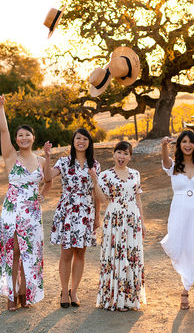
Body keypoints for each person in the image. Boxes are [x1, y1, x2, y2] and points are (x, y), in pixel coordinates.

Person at [0, 94, 51, 311]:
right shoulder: (10, 156)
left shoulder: (42, 160)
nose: (23, 137)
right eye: (20, 135)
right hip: (11, 210)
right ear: (17, 140)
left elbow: (49, 180)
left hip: (33, 213)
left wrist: (42, 195)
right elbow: (3, 131)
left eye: (27, 134)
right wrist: (1, 108)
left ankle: (25, 292)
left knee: (30, 251)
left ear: (32, 138)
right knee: (14, 250)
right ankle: (11, 295)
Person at [46, 128, 101, 308]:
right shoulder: (64, 161)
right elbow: (47, 177)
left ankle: (74, 291)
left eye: (85, 139)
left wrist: (97, 217)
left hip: (86, 211)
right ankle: (63, 290)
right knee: (66, 252)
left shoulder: (95, 165)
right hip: (67, 210)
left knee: (80, 252)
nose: (81, 141)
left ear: (89, 143)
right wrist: (47, 156)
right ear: (73, 140)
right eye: (78, 138)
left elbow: (96, 192)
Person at [161, 130, 194, 310]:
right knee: (178, 245)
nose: (187, 144)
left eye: (190, 142)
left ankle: (185, 290)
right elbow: (166, 161)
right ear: (180, 145)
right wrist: (163, 146)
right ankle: (184, 279)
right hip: (178, 211)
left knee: (193, 249)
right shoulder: (175, 166)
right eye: (184, 141)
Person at [93, 141, 146, 311]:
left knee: (131, 254)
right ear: (113, 154)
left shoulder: (135, 174)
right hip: (114, 217)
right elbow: (102, 199)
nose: (122, 157)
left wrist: (143, 223)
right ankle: (114, 298)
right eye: (119, 153)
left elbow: (138, 199)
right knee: (115, 254)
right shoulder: (106, 175)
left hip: (132, 218)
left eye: (125, 154)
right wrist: (95, 181)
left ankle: (130, 299)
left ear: (130, 156)